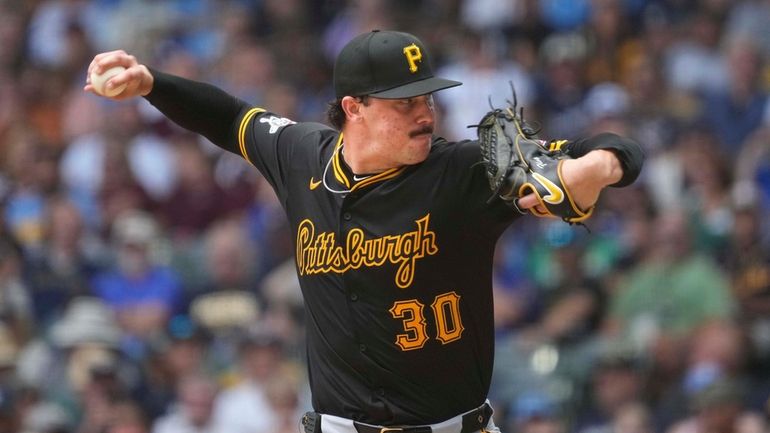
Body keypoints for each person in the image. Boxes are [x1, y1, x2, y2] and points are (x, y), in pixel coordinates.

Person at [84, 29, 643, 432]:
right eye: (405, 102)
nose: (425, 112)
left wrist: (596, 170)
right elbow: (231, 119)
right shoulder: (301, 155)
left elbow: (608, 151)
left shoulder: (466, 170)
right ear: (354, 107)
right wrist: (151, 83)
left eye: (427, 96)